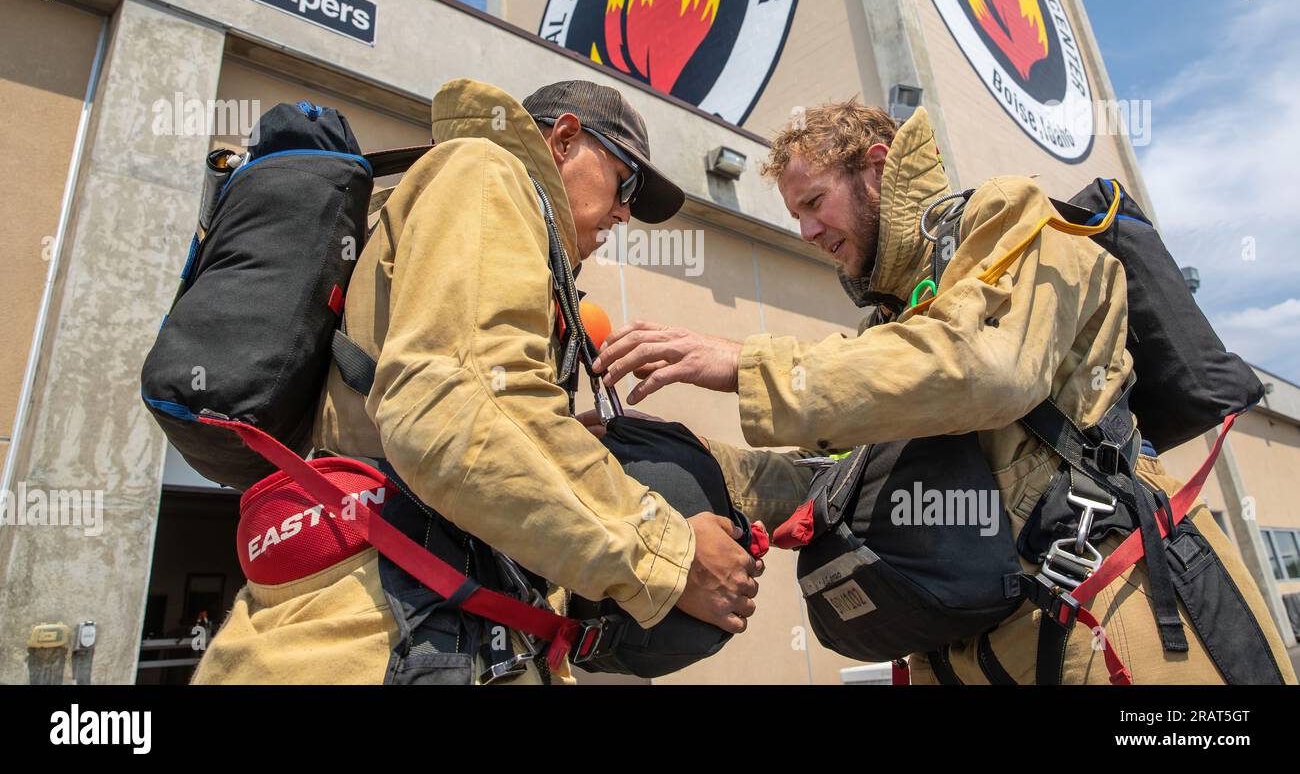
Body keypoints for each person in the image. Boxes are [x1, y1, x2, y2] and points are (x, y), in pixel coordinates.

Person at [592, 97, 1297, 684]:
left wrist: (748, 364)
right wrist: (663, 461)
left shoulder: (1010, 219)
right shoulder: (897, 330)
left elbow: (991, 370)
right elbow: (835, 490)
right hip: (986, 645)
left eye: (813, 202)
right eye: (796, 215)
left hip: (1116, 612)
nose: (807, 231)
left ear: (874, 167)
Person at [192, 77, 761, 685]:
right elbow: (461, 408)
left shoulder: (488, 216)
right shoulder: (487, 171)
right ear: (564, 138)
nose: (625, 210)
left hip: (399, 625)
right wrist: (671, 553)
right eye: (627, 182)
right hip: (382, 640)